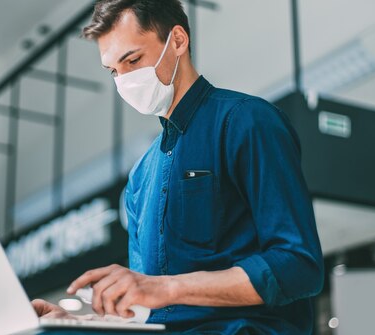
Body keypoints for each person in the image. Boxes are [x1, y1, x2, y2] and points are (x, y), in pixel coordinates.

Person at [32, 0, 324, 333]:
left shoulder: (247, 121)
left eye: (133, 60)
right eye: (114, 70)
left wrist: (169, 287)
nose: (124, 80)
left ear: (178, 40)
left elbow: (299, 266)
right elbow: (145, 310)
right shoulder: (141, 176)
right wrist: (75, 324)